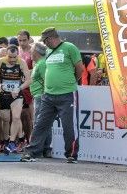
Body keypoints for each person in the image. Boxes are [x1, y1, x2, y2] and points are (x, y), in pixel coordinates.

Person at [22, 27, 84, 163]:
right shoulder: (48, 51)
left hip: (67, 94)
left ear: (50, 38)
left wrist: (71, 81)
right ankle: (32, 152)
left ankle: (72, 154)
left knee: (69, 126)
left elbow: (80, 68)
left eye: (44, 41)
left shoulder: (69, 47)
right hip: (48, 95)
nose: (44, 44)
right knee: (40, 124)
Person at [0, 45, 31, 154]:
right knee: (6, 120)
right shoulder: (1, 61)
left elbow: (29, 80)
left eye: (14, 57)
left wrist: (19, 88)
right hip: (3, 94)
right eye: (10, 57)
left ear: (17, 55)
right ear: (6, 55)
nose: (12, 60)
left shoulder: (21, 62)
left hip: (17, 94)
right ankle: (6, 141)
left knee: (16, 117)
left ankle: (12, 142)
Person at [29, 42, 52, 158]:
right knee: (41, 123)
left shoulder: (42, 63)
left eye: (31, 50)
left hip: (41, 96)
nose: (29, 52)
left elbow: (46, 80)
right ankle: (44, 149)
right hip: (38, 96)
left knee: (41, 123)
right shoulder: (39, 63)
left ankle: (44, 148)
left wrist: (44, 96)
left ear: (36, 52)